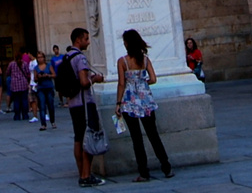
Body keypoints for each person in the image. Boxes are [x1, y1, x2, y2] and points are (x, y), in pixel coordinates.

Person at [117, 30, 172, 182]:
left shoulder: (123, 61)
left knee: (137, 139)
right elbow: (153, 79)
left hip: (129, 101)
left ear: (127, 43)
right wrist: (143, 83)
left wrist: (118, 103)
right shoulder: (145, 60)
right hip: (145, 100)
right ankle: (166, 167)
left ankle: (144, 172)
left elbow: (121, 83)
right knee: (153, 135)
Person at [65, 28, 105, 188]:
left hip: (73, 103)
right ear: (78, 40)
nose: (88, 42)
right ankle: (86, 175)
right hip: (84, 103)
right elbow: (83, 82)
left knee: (78, 138)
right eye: (86, 39)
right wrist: (95, 78)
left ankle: (82, 172)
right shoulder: (80, 58)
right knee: (89, 138)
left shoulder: (67, 56)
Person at [34, 51, 57, 131]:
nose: (40, 59)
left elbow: (54, 75)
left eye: (41, 57)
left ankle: (52, 121)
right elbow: (35, 79)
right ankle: (43, 124)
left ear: (44, 58)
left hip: (49, 87)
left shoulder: (49, 66)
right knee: (42, 106)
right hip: (41, 88)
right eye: (38, 57)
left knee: (50, 105)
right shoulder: (36, 68)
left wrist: (48, 75)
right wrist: (38, 77)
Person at [8, 51, 31, 120]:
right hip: (23, 84)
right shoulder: (24, 64)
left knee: (16, 101)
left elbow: (7, 72)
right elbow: (28, 72)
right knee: (24, 100)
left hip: (15, 85)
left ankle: (17, 115)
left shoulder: (11, 64)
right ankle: (25, 115)